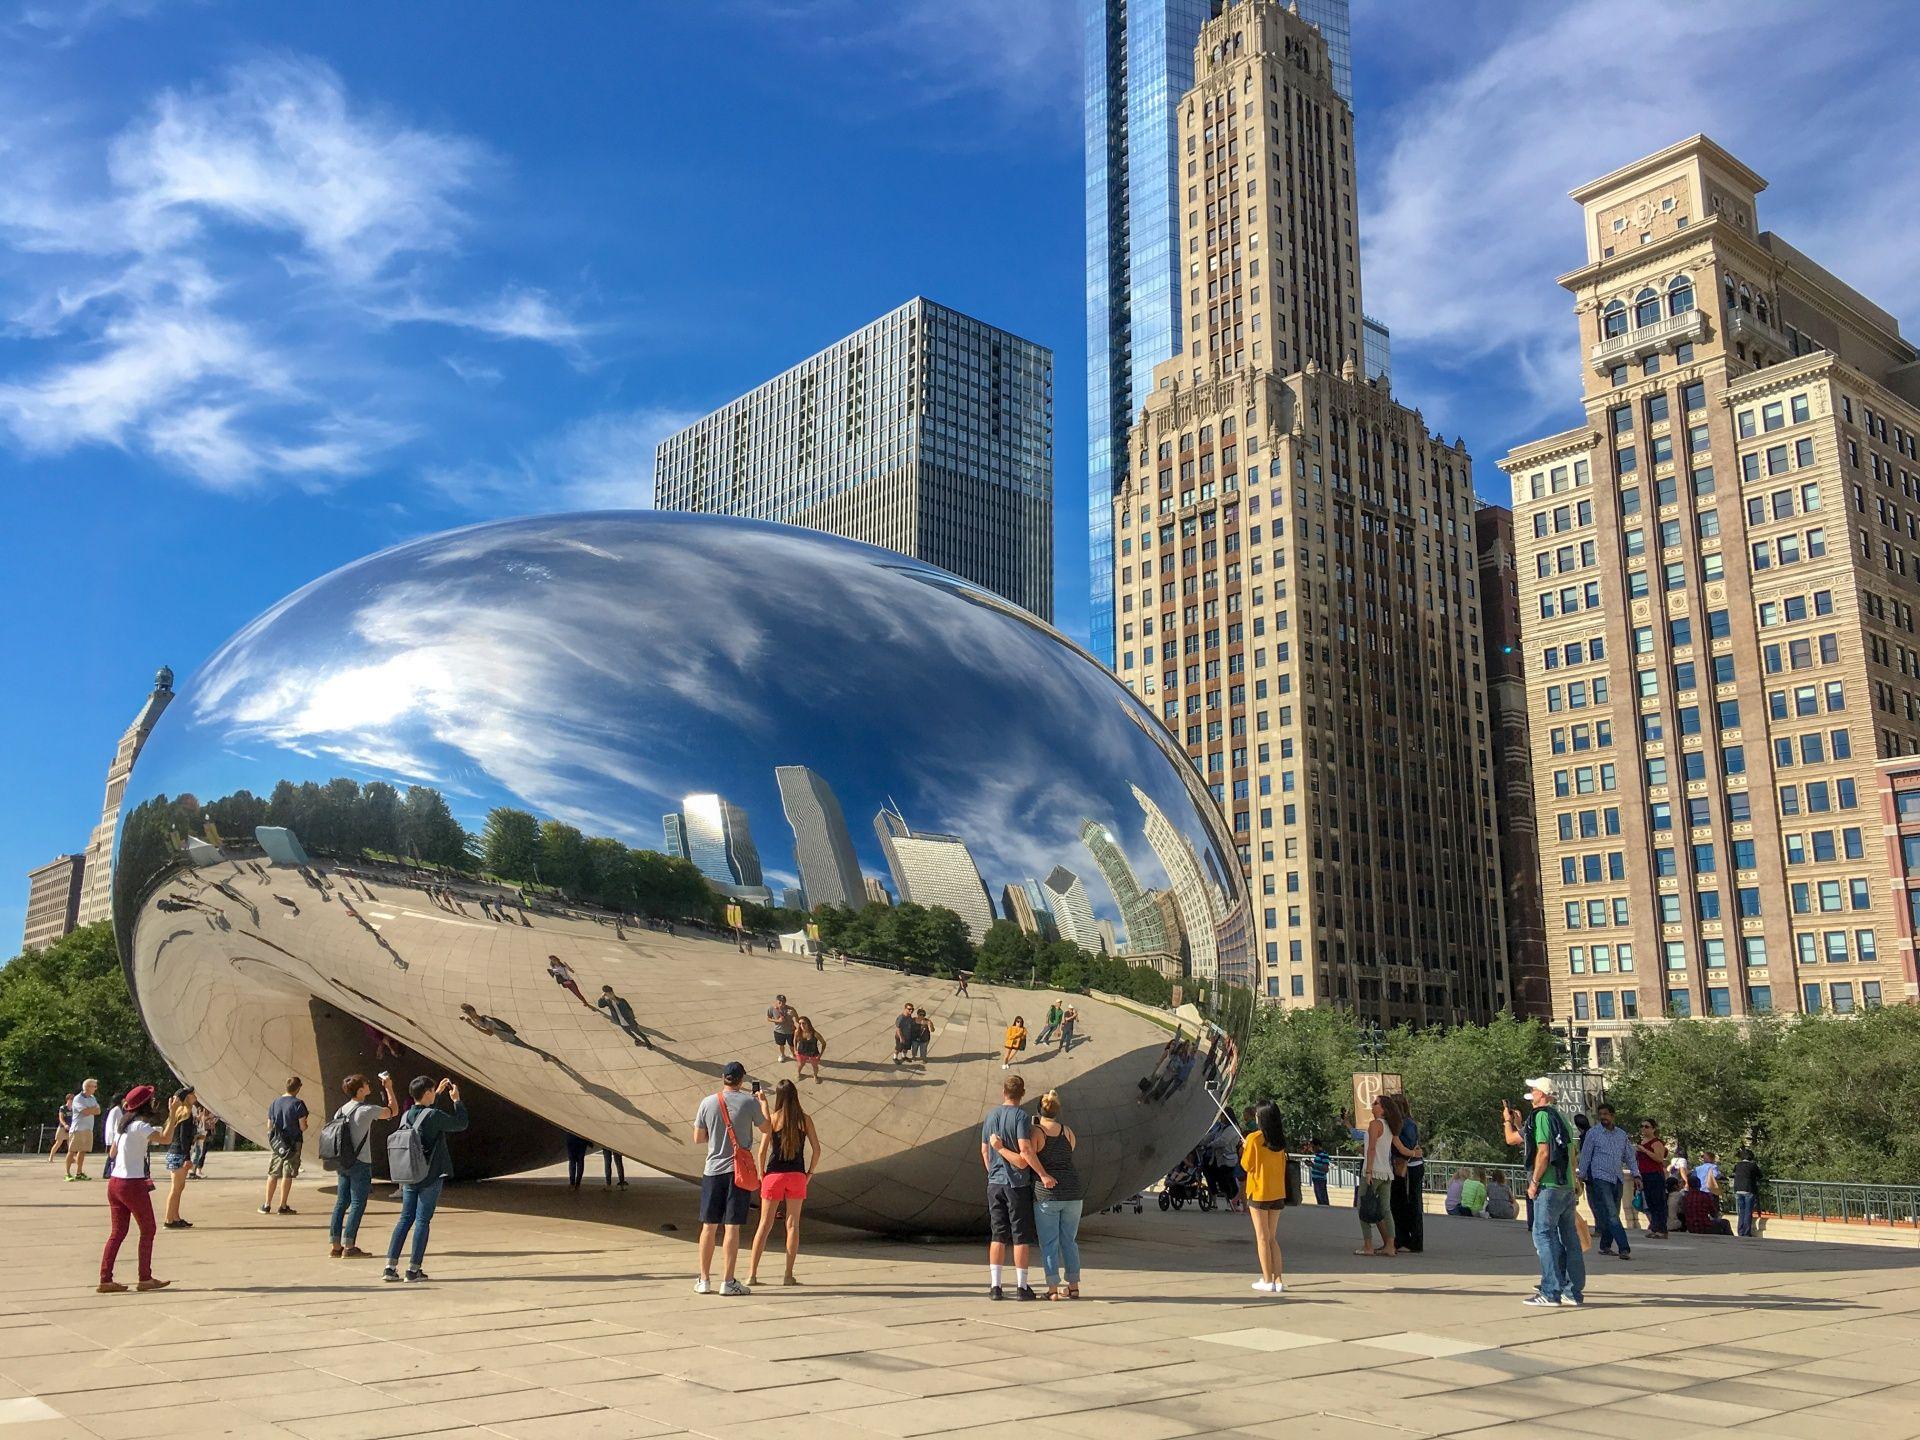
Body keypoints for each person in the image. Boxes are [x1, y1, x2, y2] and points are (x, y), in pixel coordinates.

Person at [97, 1085, 192, 1293]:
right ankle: (145, 1277)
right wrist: (174, 1113)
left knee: (117, 1232)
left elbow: (112, 1153)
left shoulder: (124, 1126)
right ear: (145, 1105)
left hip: (114, 1182)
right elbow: (166, 1139)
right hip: (132, 1183)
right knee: (148, 1229)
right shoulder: (140, 1126)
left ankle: (105, 1278)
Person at [383, 1077, 469, 1282]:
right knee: (422, 1220)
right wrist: (457, 1101)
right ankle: (413, 1269)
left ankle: (390, 1266)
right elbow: (461, 1123)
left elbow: (425, 1116)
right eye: (432, 1091)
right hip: (430, 1174)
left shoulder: (406, 1115)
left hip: (409, 1174)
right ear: (428, 1092)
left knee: (405, 1219)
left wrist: (437, 1094)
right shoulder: (434, 1116)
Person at [693, 1063, 765, 1295]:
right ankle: (728, 1281)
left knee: (709, 1226)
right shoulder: (749, 1102)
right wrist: (762, 1103)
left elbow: (698, 1138)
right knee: (732, 1227)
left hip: (713, 1170)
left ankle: (704, 1280)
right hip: (739, 1172)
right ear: (742, 1080)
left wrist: (717, 1138)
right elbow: (767, 1128)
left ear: (723, 1078)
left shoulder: (708, 1102)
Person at [1512, 1078, 1584, 1309]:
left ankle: (1550, 1290)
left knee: (1543, 1235)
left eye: (1533, 1091)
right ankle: (1572, 1291)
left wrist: (1534, 1181)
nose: (1531, 1094)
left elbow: (1543, 1152)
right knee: (1569, 1239)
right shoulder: (1561, 1116)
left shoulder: (1541, 1116)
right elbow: (1570, 1150)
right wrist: (1574, 1180)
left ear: (1542, 1094)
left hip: (1549, 1185)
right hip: (1565, 1185)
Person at [981, 1072, 1050, 1301]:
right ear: (1022, 1094)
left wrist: (993, 1170)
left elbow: (984, 1150)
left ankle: (995, 1286)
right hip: (1016, 1183)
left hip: (995, 1182)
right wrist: (1041, 1173)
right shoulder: (1021, 1117)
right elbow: (1025, 1151)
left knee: (997, 1234)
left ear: (1003, 1092)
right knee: (1020, 1235)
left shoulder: (990, 1116)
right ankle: (1021, 1286)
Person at [748, 1078, 820, 1287]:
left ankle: (752, 1274)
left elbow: (761, 1151)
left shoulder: (773, 1119)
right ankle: (788, 1275)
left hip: (774, 1175)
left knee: (764, 1224)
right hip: (797, 1175)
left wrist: (762, 1174)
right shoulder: (805, 1119)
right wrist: (810, 1173)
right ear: (795, 1095)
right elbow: (817, 1149)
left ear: (778, 1097)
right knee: (792, 1225)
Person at [327, 1073, 399, 1257]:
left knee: (341, 1202)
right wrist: (388, 1087)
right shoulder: (366, 1110)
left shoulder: (340, 1110)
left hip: (343, 1162)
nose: (369, 1085)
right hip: (361, 1162)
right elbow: (393, 1111)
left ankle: (336, 1245)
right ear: (360, 1090)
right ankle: (349, 1246)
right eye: (366, 1084)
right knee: (358, 1202)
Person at [1025, 1090, 1083, 1299]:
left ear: (1039, 1111)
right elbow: (1070, 1152)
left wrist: (1043, 1174)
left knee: (1049, 1242)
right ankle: (1073, 1285)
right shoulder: (1067, 1131)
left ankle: (1052, 1289)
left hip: (1047, 1194)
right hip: (1073, 1192)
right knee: (1069, 1240)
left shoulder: (1037, 1132)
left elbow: (1029, 1155)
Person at [1576, 1103, 1635, 1260]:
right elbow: (1586, 1155)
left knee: (1613, 1213)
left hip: (1617, 1177)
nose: (1603, 1117)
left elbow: (1629, 1156)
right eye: (1600, 1114)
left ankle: (1605, 1245)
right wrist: (1581, 1176)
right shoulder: (1593, 1133)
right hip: (1600, 1177)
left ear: (1612, 1115)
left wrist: (1636, 1174)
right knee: (1611, 1213)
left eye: (1606, 1114)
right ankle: (1624, 1247)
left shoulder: (1621, 1135)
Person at [1240, 1103, 1289, 1294]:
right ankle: (1278, 1279)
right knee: (1272, 1238)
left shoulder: (1253, 1138)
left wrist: (1245, 1148)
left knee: (1261, 1237)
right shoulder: (1279, 1140)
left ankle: (1267, 1279)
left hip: (1259, 1192)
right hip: (1277, 1193)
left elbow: (1246, 1166)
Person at [1352, 1097, 1396, 1257]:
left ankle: (1368, 1245)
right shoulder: (1391, 1126)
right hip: (1386, 1172)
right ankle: (1390, 1245)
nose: (1372, 1105)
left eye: (1376, 1103)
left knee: (1363, 1205)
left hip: (1373, 1170)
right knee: (1386, 1209)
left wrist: (1368, 1171)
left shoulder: (1374, 1124)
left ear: (1383, 1108)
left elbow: (1371, 1149)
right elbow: (1395, 1147)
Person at [1383, 1092, 1424, 1254]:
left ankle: (1414, 1240)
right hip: (1401, 1166)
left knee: (1412, 1204)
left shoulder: (1407, 1124)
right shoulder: (1400, 1124)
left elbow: (1409, 1146)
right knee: (1399, 1204)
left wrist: (1395, 1141)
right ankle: (1402, 1238)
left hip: (1410, 1167)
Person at [259, 1077, 308, 1215]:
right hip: (293, 1143)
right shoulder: (298, 1104)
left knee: (273, 1173)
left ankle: (267, 1204)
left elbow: (269, 1125)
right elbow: (302, 1126)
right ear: (298, 1088)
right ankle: (283, 1205)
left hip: (278, 1144)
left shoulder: (275, 1103)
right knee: (287, 1174)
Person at [160, 1087, 199, 1230]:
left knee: (179, 1187)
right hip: (179, 1154)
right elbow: (183, 1138)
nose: (195, 1096)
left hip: (176, 1152)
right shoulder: (185, 1115)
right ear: (187, 1097)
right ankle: (168, 1219)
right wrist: (187, 1158)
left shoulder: (178, 1114)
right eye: (192, 1094)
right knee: (176, 1189)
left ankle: (175, 1217)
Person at [1635, 1120, 1670, 1239]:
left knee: (1658, 1201)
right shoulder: (1642, 1142)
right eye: (1642, 1126)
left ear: (1653, 1129)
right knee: (1650, 1202)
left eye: (1647, 1127)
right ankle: (1654, 1227)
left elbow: (1660, 1158)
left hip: (1655, 1174)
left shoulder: (1656, 1143)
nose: (1644, 1129)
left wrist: (1645, 1150)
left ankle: (1662, 1229)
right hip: (1644, 1174)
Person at [65, 1078, 101, 1180]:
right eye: (94, 1086)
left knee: (83, 1151)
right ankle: (67, 1173)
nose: (95, 1088)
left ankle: (79, 1172)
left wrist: (90, 1110)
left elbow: (98, 1111)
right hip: (78, 1129)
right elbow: (84, 1112)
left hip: (88, 1129)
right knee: (72, 1151)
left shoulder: (92, 1098)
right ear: (88, 1087)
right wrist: (91, 1110)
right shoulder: (78, 1098)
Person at [1732, 1147, 1762, 1237]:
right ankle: (1746, 1232)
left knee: (1742, 1211)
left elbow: (1733, 1174)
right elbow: (1760, 1175)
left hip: (1738, 1190)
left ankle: (1740, 1231)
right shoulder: (1752, 1165)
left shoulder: (1737, 1165)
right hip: (1748, 1189)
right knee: (1748, 1212)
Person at [793, 1016, 826, 1083]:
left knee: (815, 1066)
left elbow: (824, 1043)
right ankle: (798, 1073)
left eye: (804, 1023)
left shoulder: (815, 1034)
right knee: (800, 1065)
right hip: (801, 1052)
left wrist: (820, 1054)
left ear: (808, 1023)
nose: (802, 1025)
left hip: (813, 1053)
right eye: (800, 1023)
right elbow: (795, 1039)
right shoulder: (797, 1031)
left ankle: (815, 1076)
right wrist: (795, 1049)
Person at [767, 995, 796, 1061]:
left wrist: (793, 1014)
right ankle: (782, 1055)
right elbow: (768, 1018)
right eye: (780, 1002)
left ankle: (793, 1054)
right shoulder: (771, 1009)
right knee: (781, 1045)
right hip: (779, 1031)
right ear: (776, 1001)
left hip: (790, 1031)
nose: (782, 1004)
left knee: (792, 1045)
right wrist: (777, 1021)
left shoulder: (790, 1009)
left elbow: (797, 1018)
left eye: (783, 1002)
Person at [49, 1094, 72, 1164]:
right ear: (68, 1100)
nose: (72, 1101)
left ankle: (71, 1158)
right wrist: (65, 1125)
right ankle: (51, 1157)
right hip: (62, 1127)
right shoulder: (63, 1108)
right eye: (71, 1099)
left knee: (70, 1144)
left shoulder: (74, 1108)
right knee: (58, 1143)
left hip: (71, 1128)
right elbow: (61, 1118)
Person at [1308, 1141, 1331, 1206]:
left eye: (1313, 1147)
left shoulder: (1324, 1155)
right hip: (1315, 1179)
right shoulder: (1317, 1155)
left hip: (1320, 1179)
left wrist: (1313, 1165)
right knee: (1319, 1198)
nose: (1312, 1149)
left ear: (1317, 1145)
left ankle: (1326, 1211)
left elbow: (1325, 1169)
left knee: (1322, 1198)